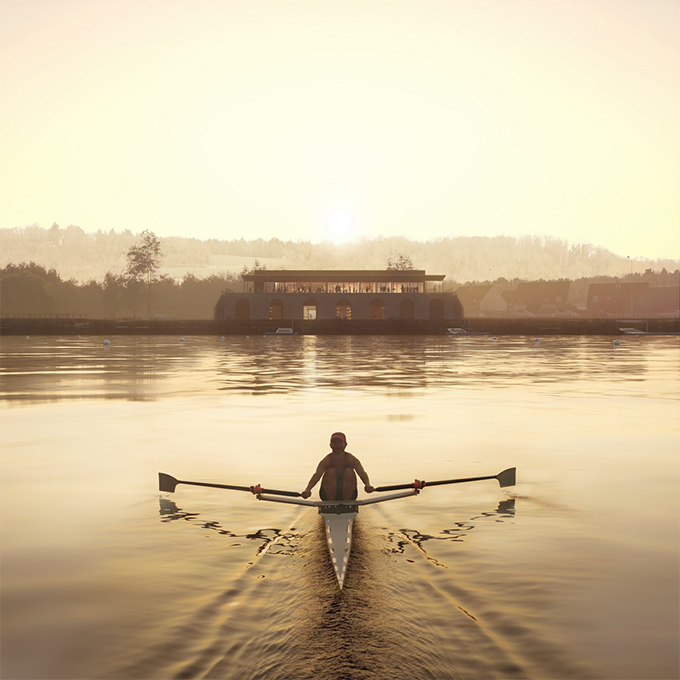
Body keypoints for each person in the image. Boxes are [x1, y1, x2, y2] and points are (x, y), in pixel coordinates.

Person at [300, 432, 375, 500]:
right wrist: (308, 489)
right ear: (330, 445)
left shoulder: (351, 459)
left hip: (349, 495)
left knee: (349, 471)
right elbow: (316, 476)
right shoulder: (326, 461)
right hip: (327, 495)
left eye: (339, 442)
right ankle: (331, 503)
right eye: (334, 443)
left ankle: (346, 502)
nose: (337, 445)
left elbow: (362, 473)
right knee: (330, 471)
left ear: (345, 444)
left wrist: (367, 485)